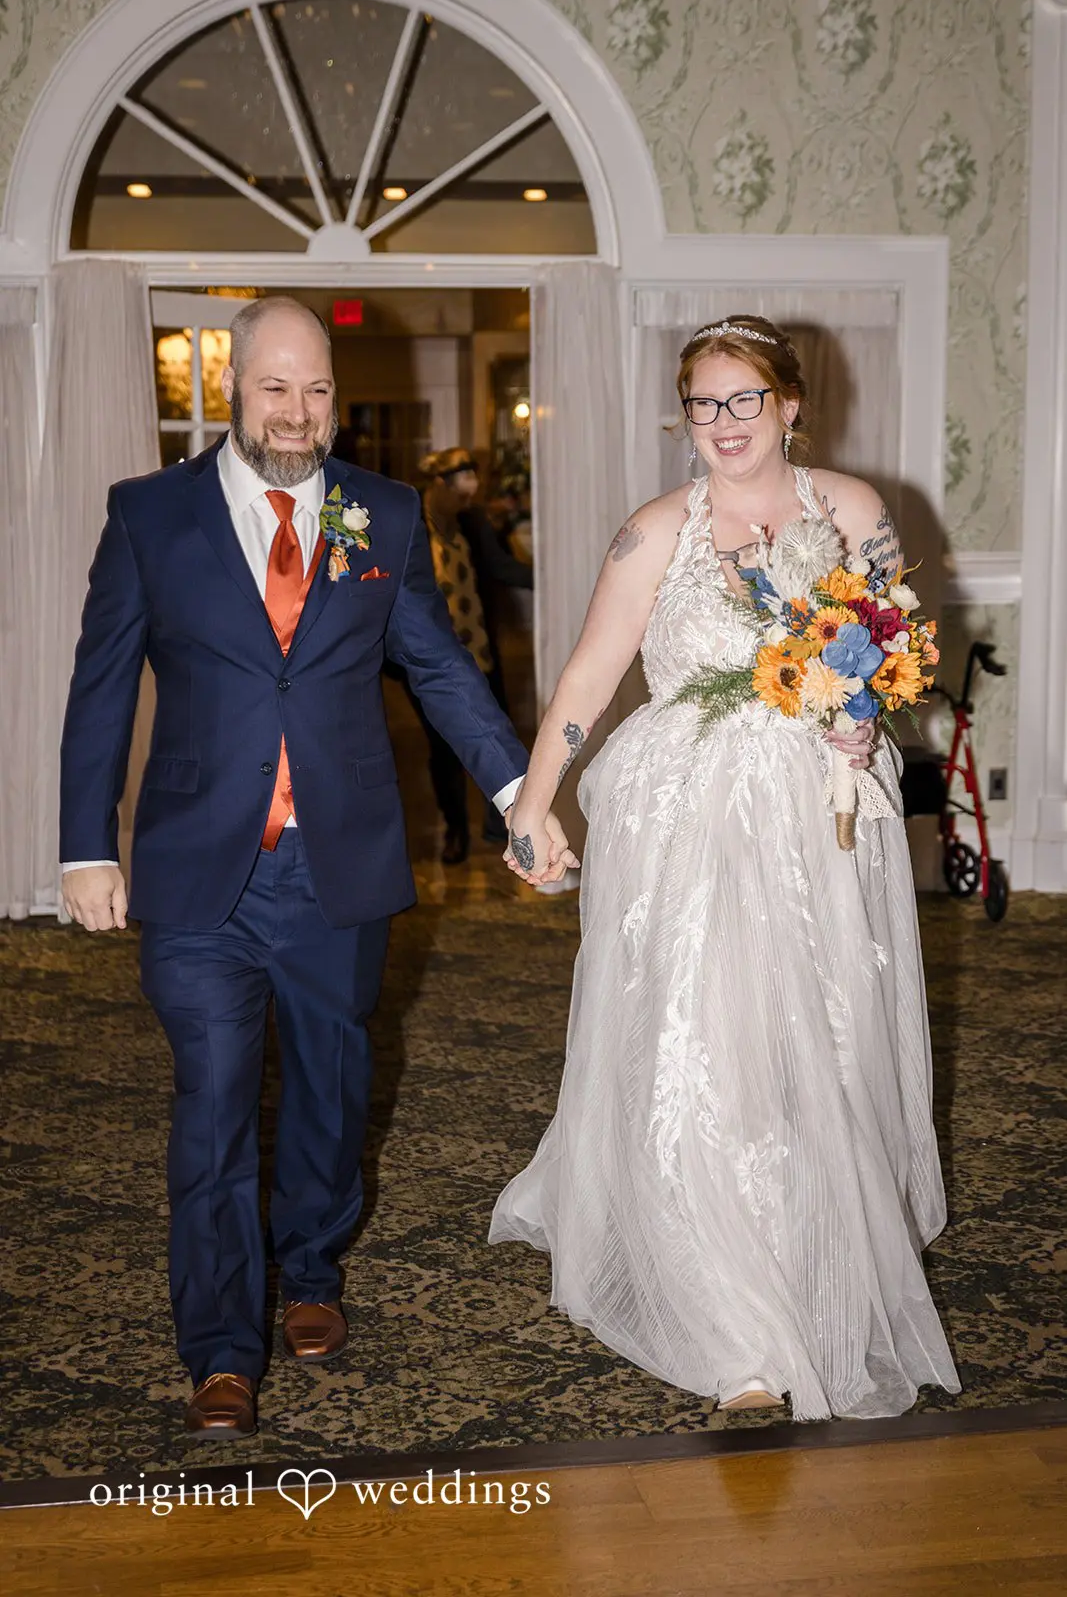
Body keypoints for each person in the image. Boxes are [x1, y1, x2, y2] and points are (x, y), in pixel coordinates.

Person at [59, 296, 574, 1441]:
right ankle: (218, 1348)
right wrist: (87, 843)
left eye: (317, 389)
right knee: (212, 1102)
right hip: (200, 872)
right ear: (231, 390)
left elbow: (436, 667)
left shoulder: (378, 512)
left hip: (337, 863)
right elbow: (101, 686)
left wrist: (517, 797)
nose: (297, 413)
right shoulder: (151, 514)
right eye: (274, 388)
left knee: (331, 1091)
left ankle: (309, 1268)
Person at [490, 315, 960, 1421]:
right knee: (707, 1050)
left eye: (743, 398)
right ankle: (735, 1329)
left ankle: (811, 1260)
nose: (723, 422)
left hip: (817, 822)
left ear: (788, 405)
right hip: (688, 828)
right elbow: (589, 675)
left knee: (816, 1048)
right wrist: (533, 802)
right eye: (702, 404)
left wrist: (864, 716)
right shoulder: (652, 534)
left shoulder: (853, 512)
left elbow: (897, 648)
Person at [411, 447, 533, 864]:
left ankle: (498, 823)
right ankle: (455, 831)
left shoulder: (472, 520)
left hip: (478, 649)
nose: (468, 500)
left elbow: (500, 567)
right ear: (439, 484)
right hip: (431, 656)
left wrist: (550, 576)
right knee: (443, 747)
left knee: (495, 732)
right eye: (461, 492)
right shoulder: (412, 520)